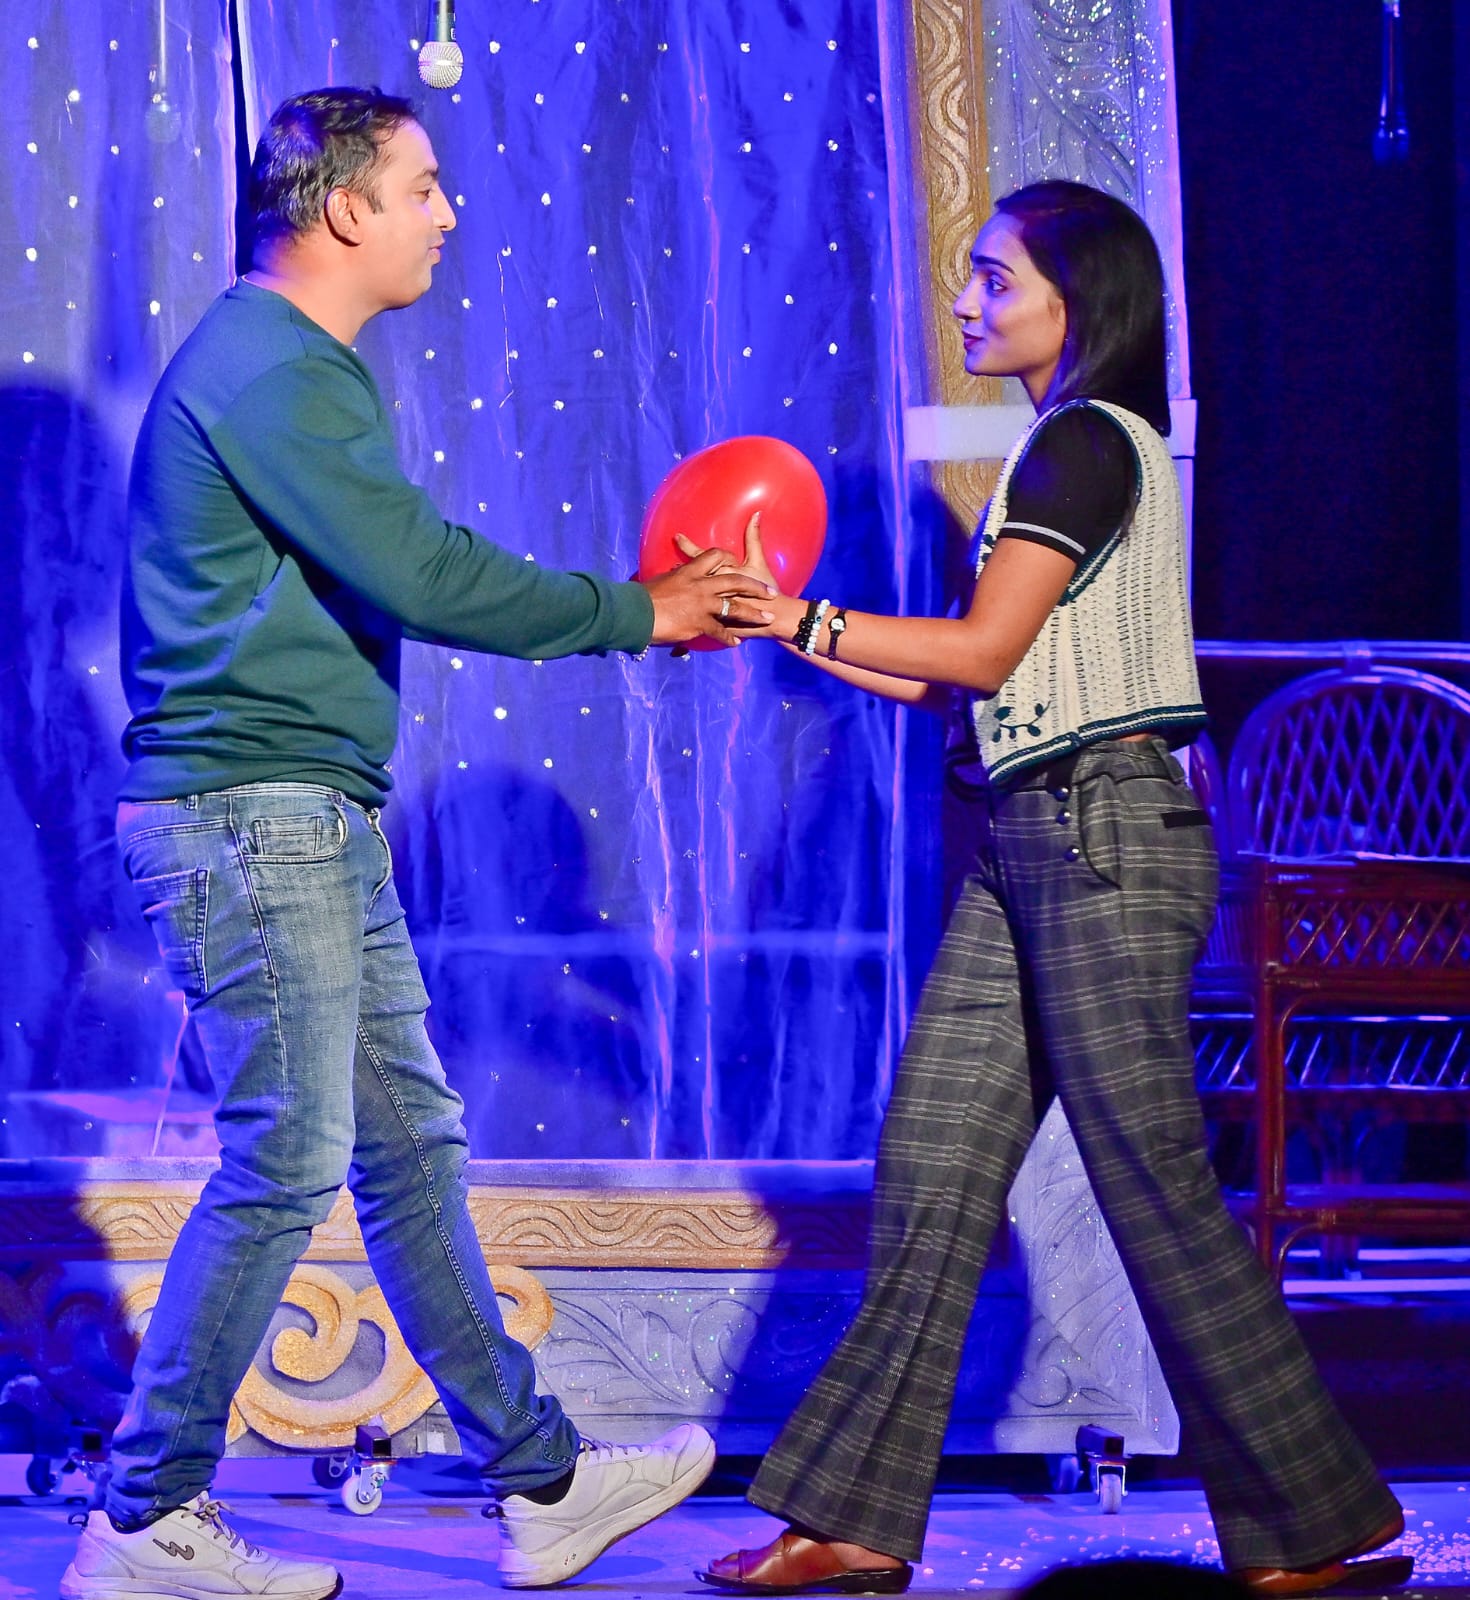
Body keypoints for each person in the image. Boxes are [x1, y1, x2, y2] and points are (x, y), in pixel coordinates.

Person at [61, 86, 774, 1600]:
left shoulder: (286, 363)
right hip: (256, 815)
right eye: (424, 186)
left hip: (299, 813)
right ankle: (143, 1518)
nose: (448, 214)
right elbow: (424, 573)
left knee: (403, 1152)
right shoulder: (272, 365)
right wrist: (638, 612)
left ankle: (543, 1481)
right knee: (288, 1158)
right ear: (344, 210)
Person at [694, 181, 1410, 1598]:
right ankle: (852, 1518)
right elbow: (960, 682)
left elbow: (978, 651)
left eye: (995, 279)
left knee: (1151, 1180)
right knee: (933, 1167)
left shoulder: (1084, 443)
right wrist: (781, 627)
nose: (967, 303)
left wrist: (799, 613)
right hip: (1026, 837)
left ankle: (1312, 1523)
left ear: (1075, 303)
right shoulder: (1059, 445)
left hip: (1102, 839)